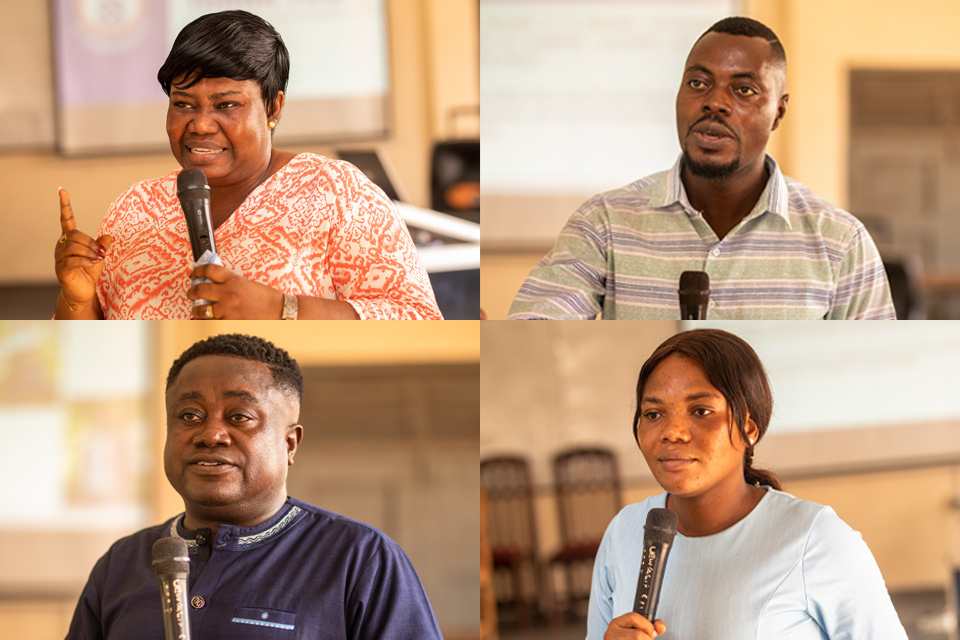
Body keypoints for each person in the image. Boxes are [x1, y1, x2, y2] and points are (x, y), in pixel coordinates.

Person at [53, 10, 441, 320]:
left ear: (273, 107)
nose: (200, 124)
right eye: (183, 104)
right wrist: (77, 300)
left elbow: (417, 318)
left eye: (226, 105)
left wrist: (279, 310)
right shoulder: (134, 207)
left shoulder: (338, 192)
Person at [509, 17, 895, 320]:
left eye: (743, 90)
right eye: (698, 82)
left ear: (779, 111)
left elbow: (882, 371)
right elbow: (536, 324)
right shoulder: (605, 221)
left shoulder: (840, 242)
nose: (714, 103)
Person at [65, 333, 443, 639]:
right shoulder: (121, 563)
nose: (210, 433)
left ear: (289, 443)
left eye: (239, 416)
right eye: (189, 415)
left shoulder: (361, 559)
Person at [588, 329, 907, 639]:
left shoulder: (814, 537)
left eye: (701, 411)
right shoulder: (624, 532)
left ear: (749, 428)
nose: (673, 432)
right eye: (654, 413)